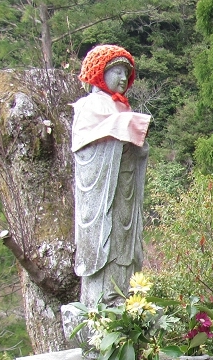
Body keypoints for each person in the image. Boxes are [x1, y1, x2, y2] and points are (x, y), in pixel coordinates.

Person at [71, 45, 151, 306]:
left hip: (124, 185)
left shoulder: (121, 107)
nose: (122, 79)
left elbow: (136, 145)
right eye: (116, 72)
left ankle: (127, 299)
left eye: (126, 74)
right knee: (109, 245)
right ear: (99, 74)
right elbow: (85, 149)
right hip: (103, 190)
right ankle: (102, 304)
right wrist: (120, 132)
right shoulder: (90, 105)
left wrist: (133, 141)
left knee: (125, 244)